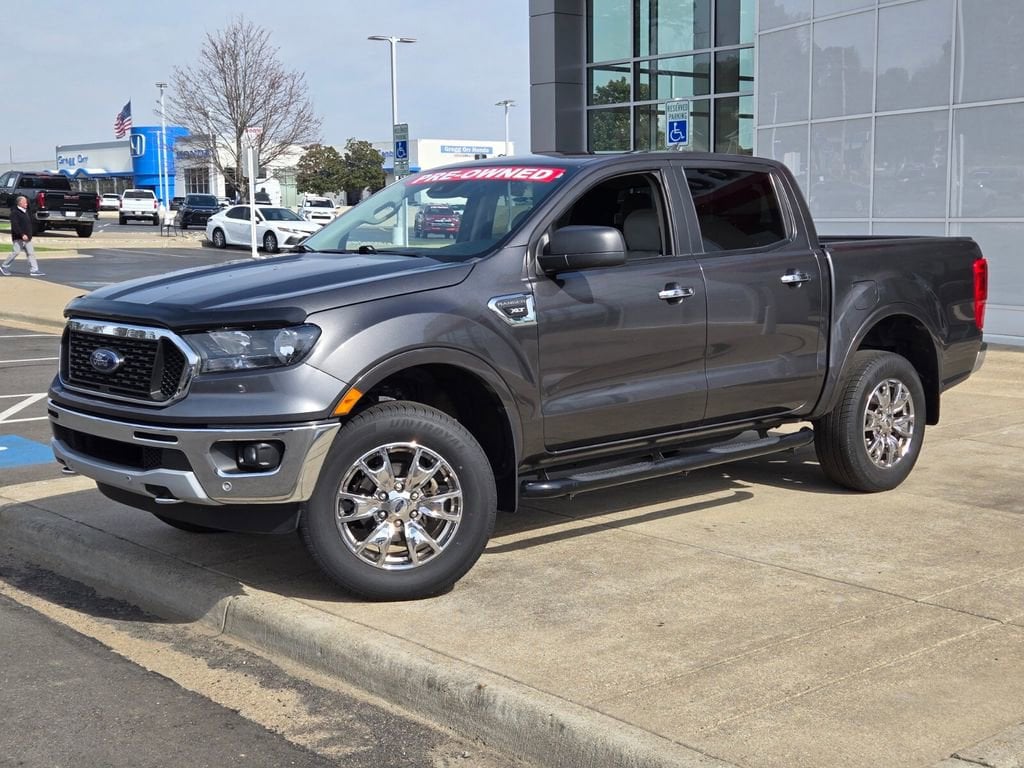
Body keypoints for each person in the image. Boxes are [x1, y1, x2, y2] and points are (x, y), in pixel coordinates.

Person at [1, 195, 44, 277]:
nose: (26, 204)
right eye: (24, 202)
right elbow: (15, 226)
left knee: (31, 253)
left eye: (26, 202)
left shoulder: (26, 211)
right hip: (19, 238)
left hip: (27, 238)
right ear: (20, 203)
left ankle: (34, 270)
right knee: (16, 252)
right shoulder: (14, 213)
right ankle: (4, 266)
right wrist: (22, 234)